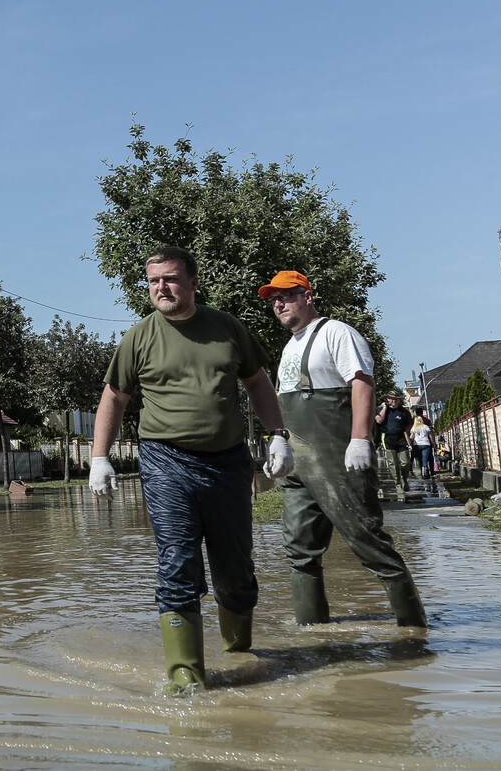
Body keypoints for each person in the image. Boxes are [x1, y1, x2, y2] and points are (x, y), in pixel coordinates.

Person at [89, 247, 292, 695]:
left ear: (194, 282)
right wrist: (99, 457)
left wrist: (278, 433)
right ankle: (185, 674)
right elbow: (114, 397)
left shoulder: (228, 329)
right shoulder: (138, 338)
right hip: (166, 462)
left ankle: (240, 653)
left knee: (236, 569)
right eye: (154, 280)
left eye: (172, 279)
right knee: (177, 563)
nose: (162, 287)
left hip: (228, 463)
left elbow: (257, 381)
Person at [259, 270, 426, 628]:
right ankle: (312, 635)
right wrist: (277, 440)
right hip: (298, 463)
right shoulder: (290, 346)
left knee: (368, 541)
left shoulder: (336, 333)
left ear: (308, 295)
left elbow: (362, 383)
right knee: (300, 550)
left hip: (337, 459)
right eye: (273, 298)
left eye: (286, 295)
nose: (278, 303)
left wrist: (359, 439)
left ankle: (414, 631)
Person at [375, 394, 415, 494]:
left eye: (394, 399)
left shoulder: (404, 412)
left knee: (406, 462)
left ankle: (404, 478)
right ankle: (397, 484)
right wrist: (384, 408)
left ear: (398, 400)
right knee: (393, 463)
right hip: (388, 437)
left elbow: (409, 426)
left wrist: (409, 441)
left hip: (400, 437)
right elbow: (379, 420)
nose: (392, 401)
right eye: (390, 399)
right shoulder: (381, 409)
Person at [409, 412, 436, 478]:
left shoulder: (413, 428)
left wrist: (409, 444)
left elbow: (411, 437)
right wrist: (434, 444)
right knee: (425, 459)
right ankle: (425, 472)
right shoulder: (425, 427)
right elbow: (431, 437)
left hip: (417, 445)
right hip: (426, 444)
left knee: (420, 459)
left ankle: (422, 472)